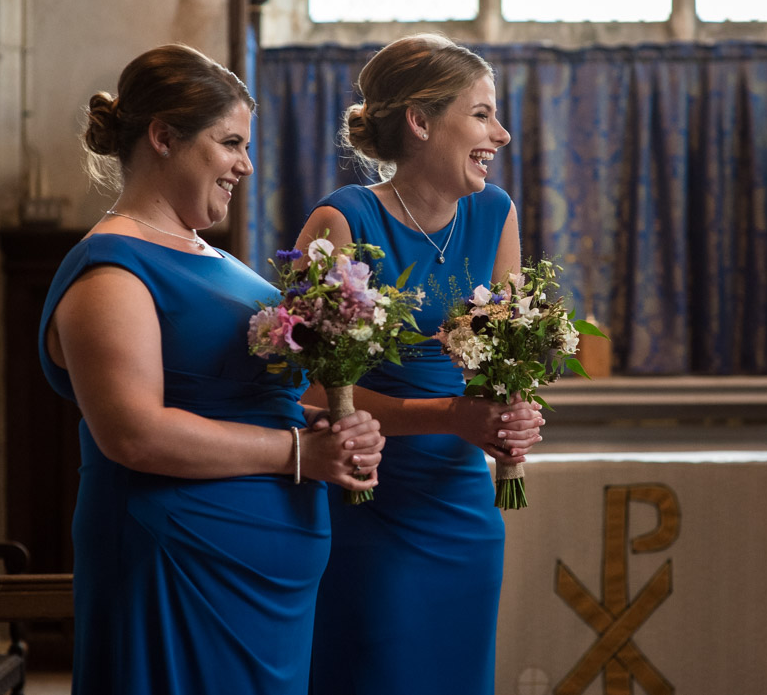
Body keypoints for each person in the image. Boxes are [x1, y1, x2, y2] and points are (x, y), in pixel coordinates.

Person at [37, 44, 384, 695]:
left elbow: (234, 394)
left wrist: (327, 424)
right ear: (164, 136)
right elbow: (134, 433)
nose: (246, 165)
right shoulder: (112, 270)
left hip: (265, 592)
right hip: (178, 570)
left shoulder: (211, 256)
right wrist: (300, 453)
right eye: (230, 143)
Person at [298, 34, 545, 695]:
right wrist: (451, 415)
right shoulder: (341, 220)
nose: (504, 133)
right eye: (483, 113)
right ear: (419, 121)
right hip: (367, 503)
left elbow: (503, 354)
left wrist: (511, 415)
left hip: (463, 507)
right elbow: (304, 392)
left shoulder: (496, 213)